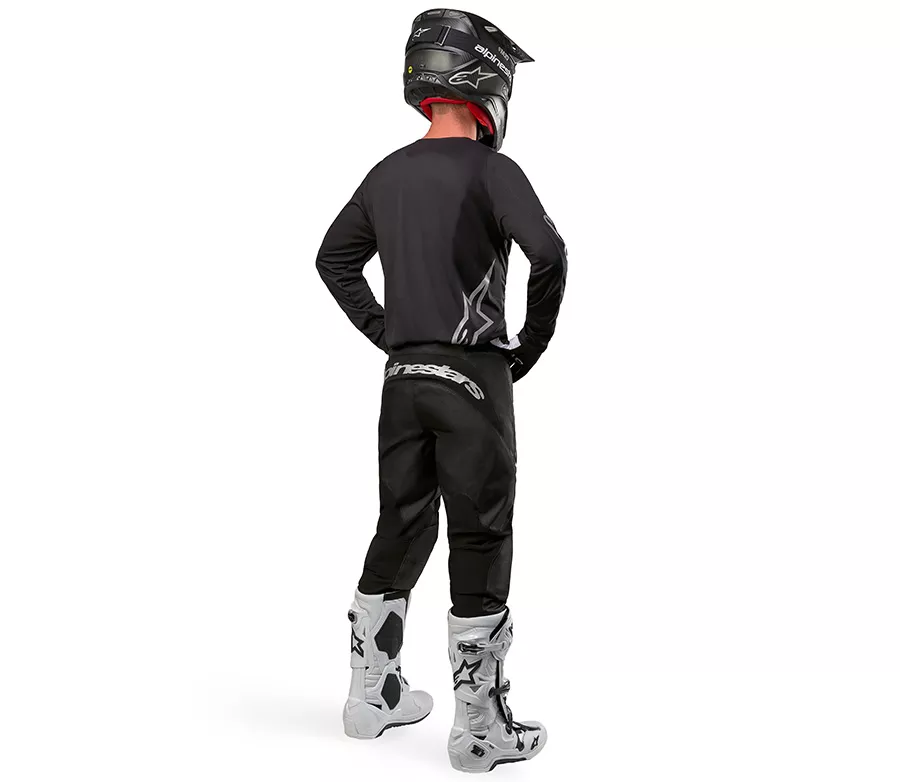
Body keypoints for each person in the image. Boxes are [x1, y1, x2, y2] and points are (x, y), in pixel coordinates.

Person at [315, 9, 567, 773]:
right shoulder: (491, 172)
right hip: (474, 379)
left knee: (401, 523)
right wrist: (529, 345)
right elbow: (549, 252)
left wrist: (388, 333)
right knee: (480, 534)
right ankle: (480, 730)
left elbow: (333, 259)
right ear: (488, 85)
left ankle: (371, 698)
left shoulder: (386, 172)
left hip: (403, 379)